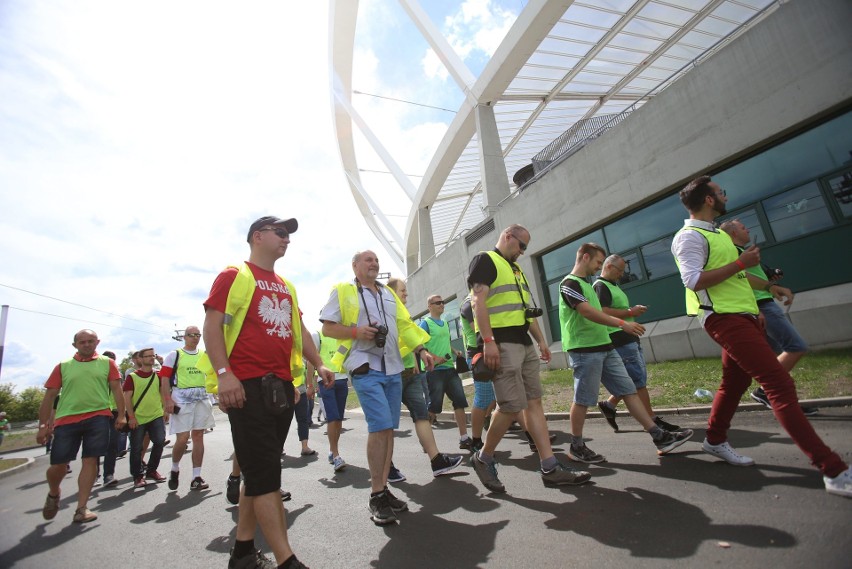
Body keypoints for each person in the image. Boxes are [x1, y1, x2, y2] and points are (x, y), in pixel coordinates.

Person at [671, 175, 850, 497]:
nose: (724, 195)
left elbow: (738, 275)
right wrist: (742, 261)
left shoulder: (717, 234)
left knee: (734, 383)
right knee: (778, 385)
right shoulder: (689, 236)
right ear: (709, 200)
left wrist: (768, 287)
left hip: (746, 317)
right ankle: (833, 470)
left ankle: (713, 440)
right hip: (724, 320)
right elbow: (693, 280)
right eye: (719, 192)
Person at [202, 215, 333, 568]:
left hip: (280, 390)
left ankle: (243, 553)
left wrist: (318, 363)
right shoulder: (234, 275)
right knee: (265, 477)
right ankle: (286, 559)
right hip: (244, 388)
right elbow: (211, 327)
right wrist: (224, 374)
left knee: (260, 473)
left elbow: (299, 330)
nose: (286, 239)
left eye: (288, 234)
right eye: (280, 232)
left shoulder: (286, 285)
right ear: (257, 236)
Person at [468, 225, 591, 493]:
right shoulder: (485, 260)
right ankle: (483, 457)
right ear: (507, 236)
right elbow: (478, 301)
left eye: (525, 248)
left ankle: (550, 467)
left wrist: (541, 340)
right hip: (500, 343)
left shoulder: (515, 270)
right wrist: (488, 342)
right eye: (520, 245)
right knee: (511, 406)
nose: (522, 252)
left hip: (523, 342)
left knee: (534, 403)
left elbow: (525, 311)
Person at [320, 250, 434, 525]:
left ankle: (383, 489)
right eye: (368, 260)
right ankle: (375, 494)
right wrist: (356, 332)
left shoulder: (387, 293)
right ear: (355, 264)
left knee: (388, 429)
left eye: (376, 260)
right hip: (364, 367)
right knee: (380, 425)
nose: (374, 263)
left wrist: (420, 349)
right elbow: (327, 329)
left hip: (394, 367)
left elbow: (405, 324)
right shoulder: (343, 290)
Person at [560, 244, 694, 463]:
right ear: (585, 257)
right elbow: (586, 312)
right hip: (584, 350)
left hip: (605, 346)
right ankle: (576, 446)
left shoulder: (588, 283)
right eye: (597, 262)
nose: (599, 267)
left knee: (629, 390)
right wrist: (622, 322)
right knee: (583, 399)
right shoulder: (569, 283)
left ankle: (659, 436)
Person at [719, 219, 818, 416]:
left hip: (762, 304)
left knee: (776, 357)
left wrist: (769, 281)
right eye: (743, 227)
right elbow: (741, 280)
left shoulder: (743, 254)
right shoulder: (734, 255)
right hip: (760, 306)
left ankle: (786, 404)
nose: (747, 229)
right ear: (732, 234)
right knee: (795, 347)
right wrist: (769, 289)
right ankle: (765, 392)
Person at [36, 329, 127, 523]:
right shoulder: (63, 366)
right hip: (66, 420)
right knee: (58, 465)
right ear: (75, 345)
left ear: (97, 342)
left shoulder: (107, 364)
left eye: (91, 341)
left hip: (98, 417)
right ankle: (54, 493)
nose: (87, 344)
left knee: (90, 460)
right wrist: (44, 425)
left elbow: (117, 390)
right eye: (82, 342)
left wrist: (121, 415)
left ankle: (82, 508)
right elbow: (49, 396)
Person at [593, 255, 682, 432]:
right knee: (638, 381)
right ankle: (652, 420)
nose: (621, 275)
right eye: (619, 271)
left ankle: (609, 405)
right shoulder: (600, 286)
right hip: (619, 339)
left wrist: (631, 312)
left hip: (628, 337)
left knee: (631, 381)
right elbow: (602, 311)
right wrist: (629, 312)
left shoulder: (612, 285)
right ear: (609, 267)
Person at [386, 277, 464, 478]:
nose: (406, 294)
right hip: (392, 375)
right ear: (392, 292)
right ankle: (387, 466)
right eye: (402, 291)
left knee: (421, 415)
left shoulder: (404, 314)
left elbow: (411, 339)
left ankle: (436, 461)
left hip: (411, 374)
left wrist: (415, 362)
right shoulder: (385, 313)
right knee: (386, 425)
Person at [159, 325, 215, 491]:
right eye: (191, 335)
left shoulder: (204, 355)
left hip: (202, 399)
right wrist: (167, 400)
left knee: (198, 436)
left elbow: (211, 375)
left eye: (198, 335)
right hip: (181, 400)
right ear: (184, 337)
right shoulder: (175, 355)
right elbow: (164, 379)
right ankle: (175, 468)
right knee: (182, 439)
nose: (195, 338)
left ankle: (196, 477)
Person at [419, 294, 473, 450]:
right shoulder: (425, 323)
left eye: (442, 302)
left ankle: (464, 438)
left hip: (450, 368)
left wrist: (455, 351)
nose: (442, 304)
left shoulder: (444, 323)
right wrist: (435, 358)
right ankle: (426, 441)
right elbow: (420, 346)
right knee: (434, 407)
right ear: (430, 306)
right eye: (438, 303)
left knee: (460, 401)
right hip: (434, 371)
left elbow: (446, 342)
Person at [124, 347, 168, 488]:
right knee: (136, 448)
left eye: (152, 356)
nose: (151, 358)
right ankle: (137, 476)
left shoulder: (158, 375)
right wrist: (131, 417)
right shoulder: (132, 377)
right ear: (140, 359)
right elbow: (127, 398)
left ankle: (152, 470)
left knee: (160, 441)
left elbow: (162, 393)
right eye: (148, 356)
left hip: (156, 415)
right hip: (138, 418)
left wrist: (165, 409)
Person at [312, 331, 350, 473]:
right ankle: (336, 455)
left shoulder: (343, 335)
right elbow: (311, 359)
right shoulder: (318, 336)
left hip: (342, 379)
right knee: (332, 417)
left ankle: (332, 450)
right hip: (326, 380)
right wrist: (311, 384)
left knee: (339, 418)